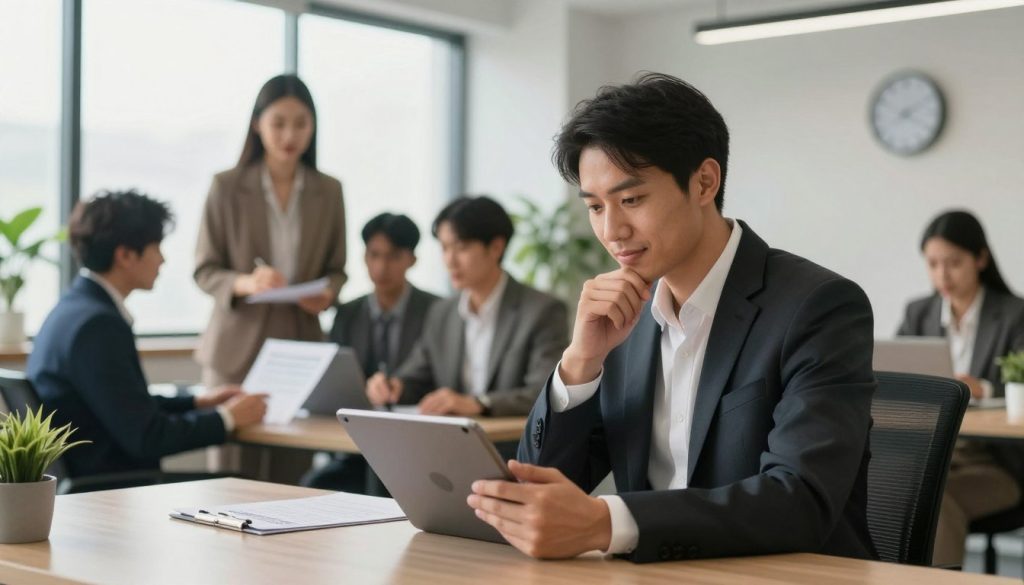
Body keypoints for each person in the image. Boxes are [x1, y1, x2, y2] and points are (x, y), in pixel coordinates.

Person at [466, 73, 877, 562]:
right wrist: (581, 362)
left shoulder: (818, 306)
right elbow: (544, 488)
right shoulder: (624, 317)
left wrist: (608, 522)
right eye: (596, 207)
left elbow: (800, 500)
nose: (612, 230)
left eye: (631, 200)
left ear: (704, 182)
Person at [27, 190, 268, 478]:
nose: (162, 260)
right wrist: (228, 418)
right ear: (126, 255)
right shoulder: (98, 327)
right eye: (156, 247)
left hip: (96, 481)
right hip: (112, 490)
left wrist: (196, 403)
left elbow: (125, 406)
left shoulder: (71, 310)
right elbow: (148, 438)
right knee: (244, 484)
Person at [194, 74, 346, 387]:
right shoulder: (226, 187)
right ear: (256, 124)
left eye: (301, 123)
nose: (290, 135)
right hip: (235, 348)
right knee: (231, 435)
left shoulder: (329, 191)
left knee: (302, 435)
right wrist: (246, 282)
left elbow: (337, 269)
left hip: (302, 345)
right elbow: (204, 270)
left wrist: (328, 292)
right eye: (278, 123)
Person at [897, 209, 1024, 566]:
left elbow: (1022, 385)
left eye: (953, 263)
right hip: (932, 455)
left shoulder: (1015, 314)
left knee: (937, 498)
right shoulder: (918, 313)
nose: (942, 275)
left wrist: (981, 388)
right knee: (892, 489)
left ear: (980, 258)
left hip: (997, 461)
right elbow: (898, 377)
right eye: (933, 263)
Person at [366, 196, 568, 418]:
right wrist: (394, 386)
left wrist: (479, 404)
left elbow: (545, 392)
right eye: (444, 248)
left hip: (513, 445)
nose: (450, 261)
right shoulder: (442, 312)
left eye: (460, 248)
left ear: (496, 248)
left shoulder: (542, 310)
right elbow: (417, 377)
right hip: (450, 443)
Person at [303, 212, 439, 492]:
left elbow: (439, 375)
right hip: (356, 444)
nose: (381, 266)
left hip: (415, 443)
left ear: (411, 260)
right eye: (373, 255)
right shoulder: (347, 314)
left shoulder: (436, 312)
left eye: (392, 257)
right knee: (313, 485)